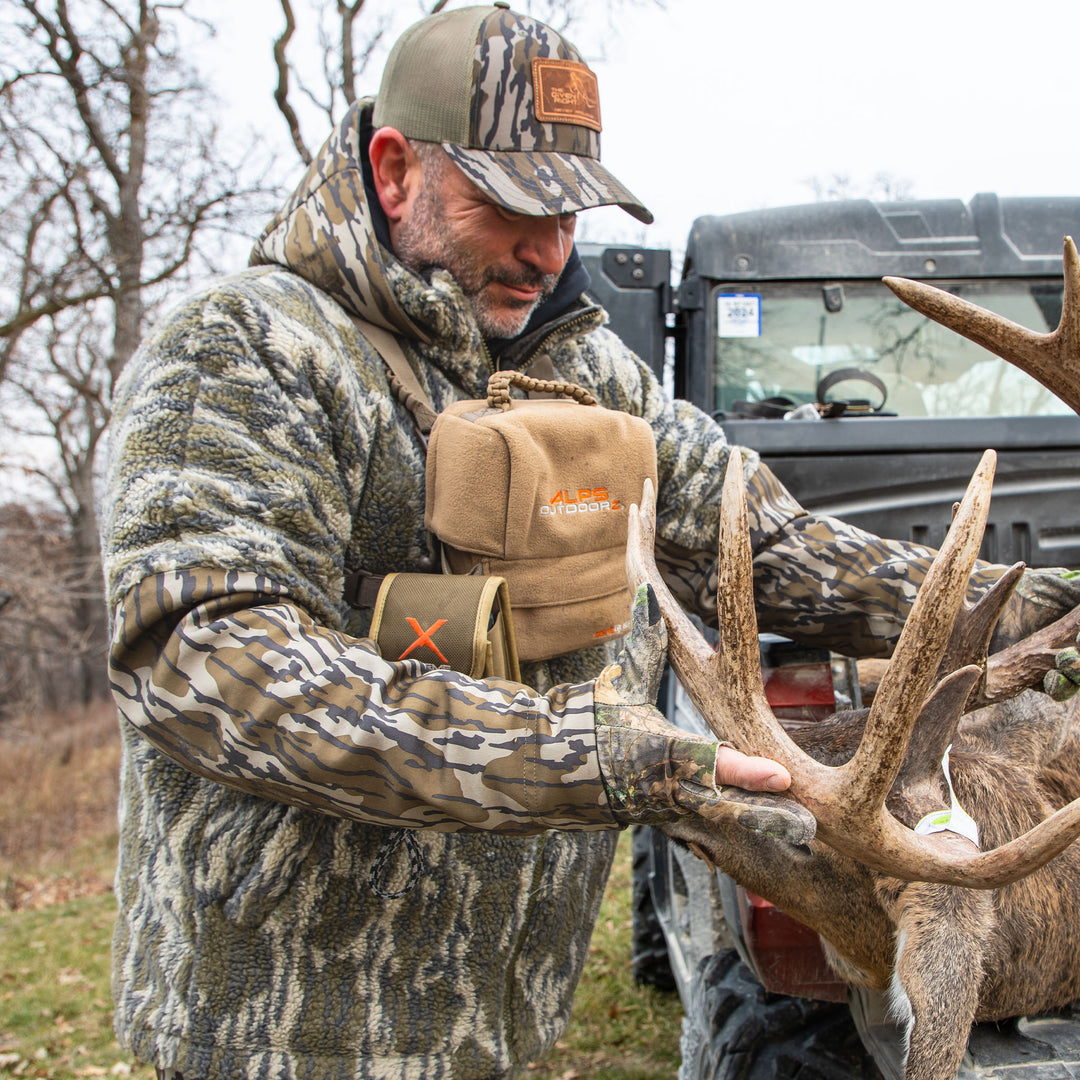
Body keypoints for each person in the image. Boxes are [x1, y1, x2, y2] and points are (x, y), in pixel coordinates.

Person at [99, 5, 1080, 1079]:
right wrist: (600, 757)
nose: (549, 249)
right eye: (510, 204)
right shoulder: (246, 355)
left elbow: (768, 545)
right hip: (294, 1030)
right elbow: (210, 663)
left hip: (496, 1012)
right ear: (393, 169)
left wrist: (1033, 601)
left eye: (571, 210)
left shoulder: (592, 373)